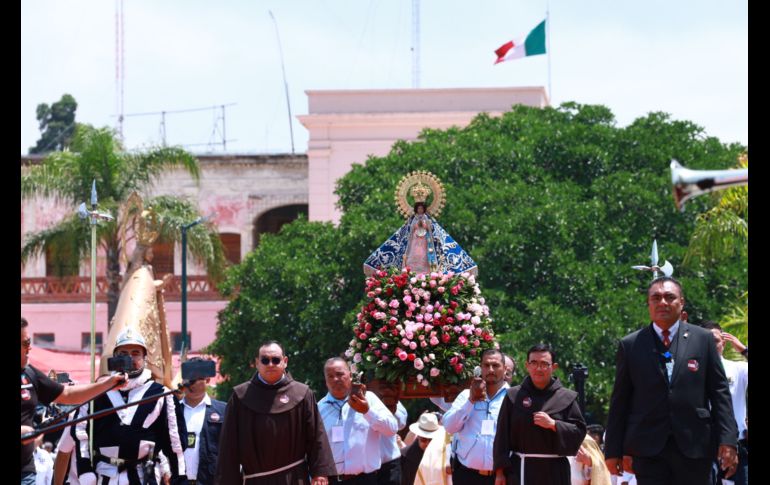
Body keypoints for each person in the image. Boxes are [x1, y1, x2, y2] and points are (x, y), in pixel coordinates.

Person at [604, 277, 738, 484]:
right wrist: (613, 450)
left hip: (695, 445)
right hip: (647, 448)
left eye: (669, 297)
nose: (662, 303)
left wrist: (728, 440)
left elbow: (720, 393)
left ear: (681, 302)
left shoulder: (703, 339)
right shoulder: (630, 345)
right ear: (648, 303)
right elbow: (620, 400)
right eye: (656, 298)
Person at [74, 327, 188, 484]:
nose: (130, 359)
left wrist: (179, 478)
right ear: (114, 358)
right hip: (105, 476)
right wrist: (85, 469)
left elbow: (175, 444)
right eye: (123, 354)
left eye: (135, 353)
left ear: (144, 358)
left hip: (144, 477)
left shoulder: (161, 394)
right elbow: (81, 434)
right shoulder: (96, 393)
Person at [21, 317, 126, 485]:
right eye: (25, 343)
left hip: (25, 472)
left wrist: (107, 384)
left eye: (30, 341)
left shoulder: (29, 373)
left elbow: (68, 395)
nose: (30, 347)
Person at [216, 341, 335, 484]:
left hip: (294, 479)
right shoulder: (240, 397)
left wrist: (319, 473)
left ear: (285, 362)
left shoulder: (302, 394)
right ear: (257, 363)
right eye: (265, 360)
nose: (270, 364)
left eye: (276, 360)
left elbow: (316, 436)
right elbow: (229, 446)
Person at [493, 343, 586, 485]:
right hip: (520, 471)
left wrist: (554, 425)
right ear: (527, 365)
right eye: (534, 363)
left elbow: (579, 432)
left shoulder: (566, 397)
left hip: (555, 472)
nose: (538, 368)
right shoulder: (513, 396)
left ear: (553, 367)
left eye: (544, 364)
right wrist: (499, 473)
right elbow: (501, 436)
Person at [363, 173, 477, 277]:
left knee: (427, 260)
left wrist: (426, 225)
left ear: (425, 208)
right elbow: (408, 230)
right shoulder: (412, 220)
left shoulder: (428, 219)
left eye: (422, 208)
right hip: (414, 243)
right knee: (412, 258)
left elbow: (434, 231)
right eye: (419, 208)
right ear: (416, 209)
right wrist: (416, 225)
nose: (420, 210)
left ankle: (429, 273)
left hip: (427, 244)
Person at [318, 357, 398, 484]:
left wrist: (367, 411)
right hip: (332, 480)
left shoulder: (369, 399)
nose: (335, 379)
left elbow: (392, 429)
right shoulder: (318, 408)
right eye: (330, 376)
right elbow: (314, 447)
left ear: (350, 375)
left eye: (339, 374)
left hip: (365, 479)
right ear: (325, 381)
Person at [443, 348, 509, 484]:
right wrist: (471, 400)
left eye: (495, 365)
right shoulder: (465, 395)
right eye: (486, 365)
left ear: (505, 369)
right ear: (480, 368)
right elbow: (449, 427)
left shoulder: (512, 397)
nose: (490, 370)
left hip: (501, 477)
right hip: (466, 475)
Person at [701, 321, 748, 485]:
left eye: (715, 340)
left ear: (724, 342)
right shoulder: (690, 370)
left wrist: (744, 350)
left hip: (738, 445)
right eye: (705, 341)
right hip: (703, 446)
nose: (711, 345)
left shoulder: (738, 369)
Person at [180, 357, 226, 485]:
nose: (192, 382)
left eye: (197, 377)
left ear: (207, 380)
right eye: (188, 377)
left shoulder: (223, 411)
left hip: (211, 480)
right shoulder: (172, 411)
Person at [400, 413, 451, 485]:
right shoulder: (404, 455)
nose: (428, 443)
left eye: (431, 440)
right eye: (423, 440)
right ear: (418, 437)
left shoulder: (444, 454)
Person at [378, 402, 408, 485]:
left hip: (388, 465)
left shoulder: (388, 394)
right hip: (362, 470)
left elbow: (401, 423)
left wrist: (387, 405)